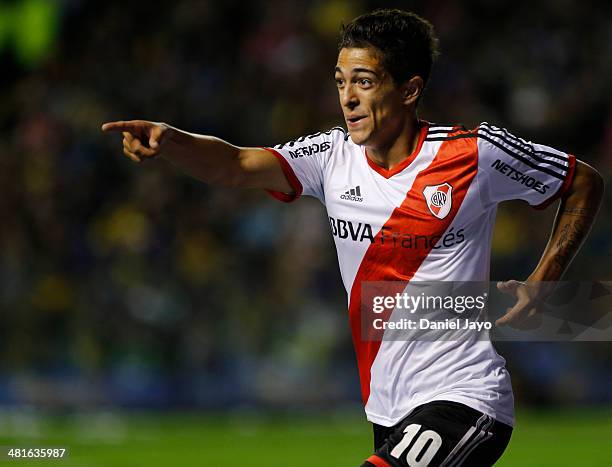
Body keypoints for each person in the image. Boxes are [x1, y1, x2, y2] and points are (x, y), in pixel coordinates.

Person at [102, 8, 604, 467]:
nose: (348, 97)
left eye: (364, 81)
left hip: (464, 396)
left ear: (409, 89)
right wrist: (172, 141)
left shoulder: (475, 154)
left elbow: (582, 182)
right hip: (387, 406)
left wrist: (542, 282)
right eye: (341, 81)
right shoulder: (329, 157)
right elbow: (236, 164)